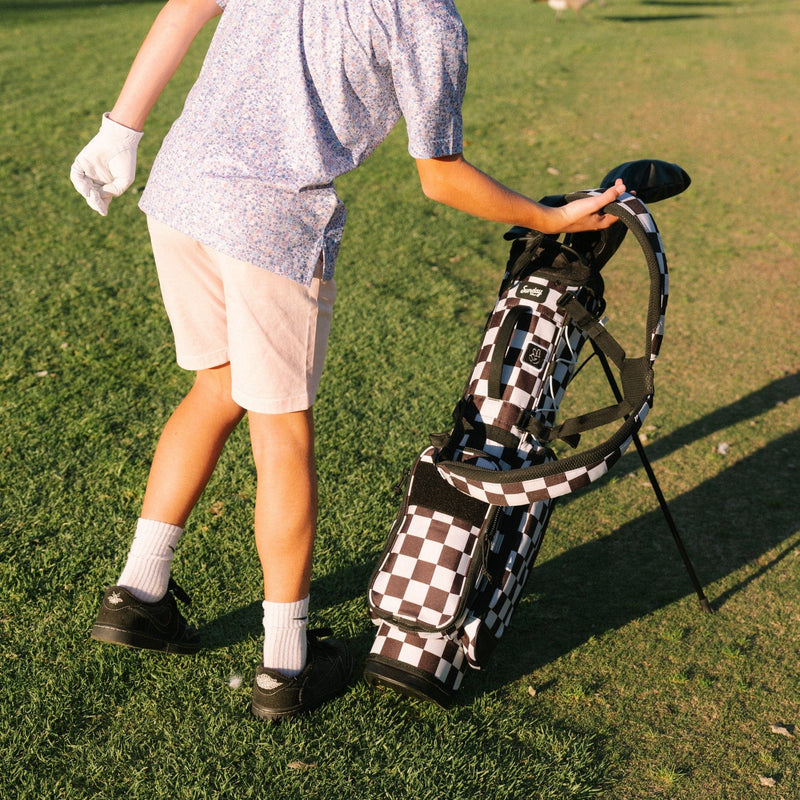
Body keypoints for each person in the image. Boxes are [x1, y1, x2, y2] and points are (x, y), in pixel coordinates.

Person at [70, 0, 625, 722]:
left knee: (215, 386)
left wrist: (120, 129)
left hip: (180, 193)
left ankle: (137, 597)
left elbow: (187, 5)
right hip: (267, 222)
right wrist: (550, 219)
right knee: (281, 428)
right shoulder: (428, 21)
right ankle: (287, 663)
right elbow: (441, 176)